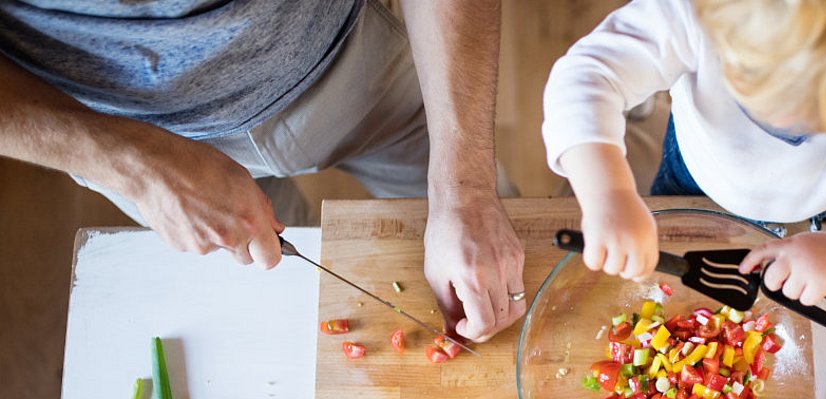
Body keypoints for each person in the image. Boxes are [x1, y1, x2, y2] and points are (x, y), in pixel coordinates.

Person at [0, 0, 524, 342]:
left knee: (487, 255)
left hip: (348, 61)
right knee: (281, 304)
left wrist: (466, 190)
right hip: (119, 132)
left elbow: (468, 198)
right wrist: (136, 166)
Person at [542, 0, 826, 306]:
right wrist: (608, 195)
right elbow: (589, 74)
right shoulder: (696, 11)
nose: (790, 123)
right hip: (698, 175)